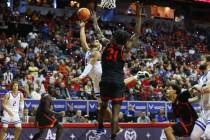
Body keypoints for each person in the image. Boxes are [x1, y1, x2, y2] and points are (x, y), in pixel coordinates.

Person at [93, 3, 142, 139]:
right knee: (115, 116)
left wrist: (94, 19)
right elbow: (137, 33)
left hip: (106, 82)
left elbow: (97, 31)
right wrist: (138, 14)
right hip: (118, 84)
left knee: (102, 107)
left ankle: (100, 126)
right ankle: (113, 136)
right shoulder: (124, 50)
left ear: (114, 37)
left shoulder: (106, 44)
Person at [190, 58, 210, 140]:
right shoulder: (201, 78)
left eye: (202, 60)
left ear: (208, 62)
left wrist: (197, 88)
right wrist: (186, 100)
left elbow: (208, 89)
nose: (200, 62)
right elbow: (198, 98)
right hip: (204, 111)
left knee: (208, 135)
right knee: (194, 137)